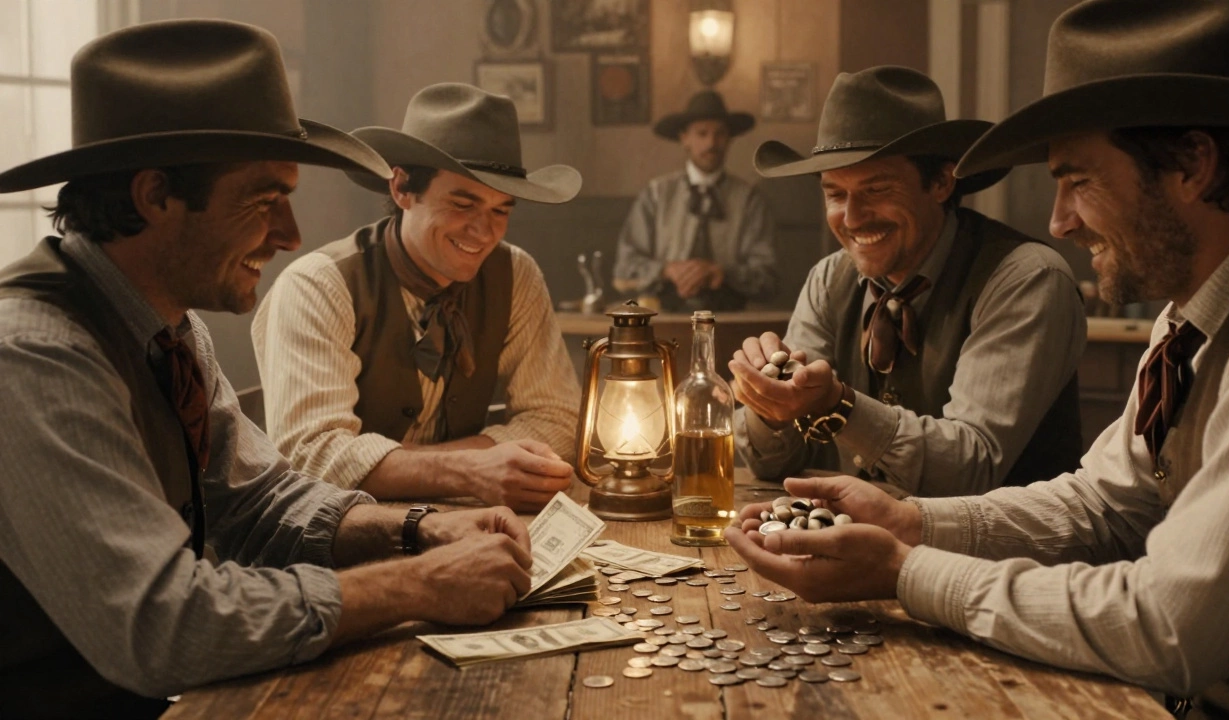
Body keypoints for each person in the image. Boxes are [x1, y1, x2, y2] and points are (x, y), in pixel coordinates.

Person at [727, 1, 1229, 716]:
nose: (1059, 221)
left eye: (1079, 180)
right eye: (835, 194)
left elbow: (1170, 625)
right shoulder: (1186, 321)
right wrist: (910, 523)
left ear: (1193, 165)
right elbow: (1104, 505)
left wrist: (907, 571)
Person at [0, 22, 532, 718]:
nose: (290, 234)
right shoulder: (35, 353)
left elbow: (258, 502)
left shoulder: (171, 327)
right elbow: (163, 625)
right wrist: (418, 585)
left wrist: (419, 528)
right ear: (155, 196)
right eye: (262, 201)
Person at [730, 66, 1085, 495]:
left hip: (1001, 541)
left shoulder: (1025, 278)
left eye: (877, 190)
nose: (852, 218)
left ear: (941, 183)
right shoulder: (828, 279)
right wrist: (769, 404)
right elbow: (772, 463)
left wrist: (840, 405)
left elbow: (971, 468)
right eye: (835, 194)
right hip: (853, 535)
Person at [251, 84, 581, 511]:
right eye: (462, 204)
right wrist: (471, 470)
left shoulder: (516, 274)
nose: (484, 233)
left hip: (466, 521)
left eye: (501, 210)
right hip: (337, 532)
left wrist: (436, 468)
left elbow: (559, 420)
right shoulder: (317, 285)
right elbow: (313, 455)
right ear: (402, 188)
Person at [612, 90, 778, 312]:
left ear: (729, 139)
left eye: (720, 134)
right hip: (662, 320)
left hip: (729, 320)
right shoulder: (656, 195)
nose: (711, 143)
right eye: (702, 134)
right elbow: (624, 270)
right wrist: (667, 270)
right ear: (684, 138)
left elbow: (767, 278)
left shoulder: (749, 201)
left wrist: (722, 272)